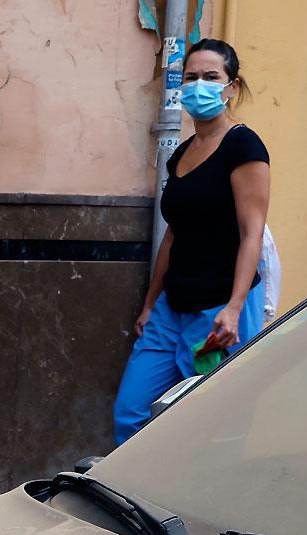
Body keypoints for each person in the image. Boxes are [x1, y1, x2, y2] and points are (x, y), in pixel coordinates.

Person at [113, 38, 271, 445]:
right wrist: (151, 303)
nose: (199, 85)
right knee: (131, 414)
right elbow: (173, 233)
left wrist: (234, 308)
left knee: (210, 424)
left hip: (218, 314)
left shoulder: (243, 146)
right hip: (172, 308)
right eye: (191, 77)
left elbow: (252, 233)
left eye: (211, 77)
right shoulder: (181, 153)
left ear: (232, 87)